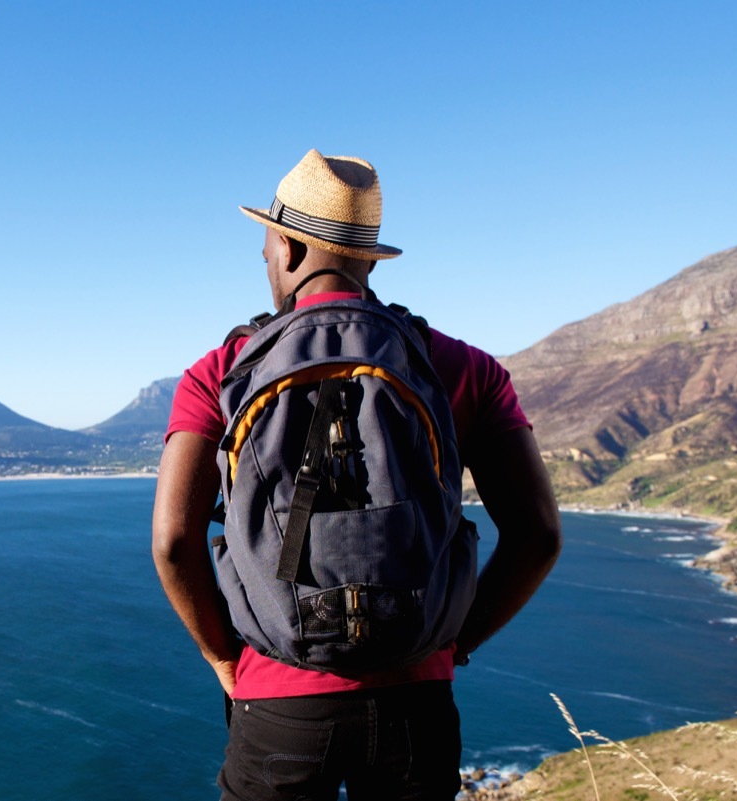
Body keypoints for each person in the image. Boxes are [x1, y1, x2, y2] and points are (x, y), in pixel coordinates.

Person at [151, 149, 562, 801]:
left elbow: (174, 540)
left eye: (264, 248)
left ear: (284, 247)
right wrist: (453, 642)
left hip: (277, 701)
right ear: (369, 260)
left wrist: (222, 657)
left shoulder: (219, 372)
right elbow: (539, 535)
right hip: (416, 703)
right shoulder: (464, 368)